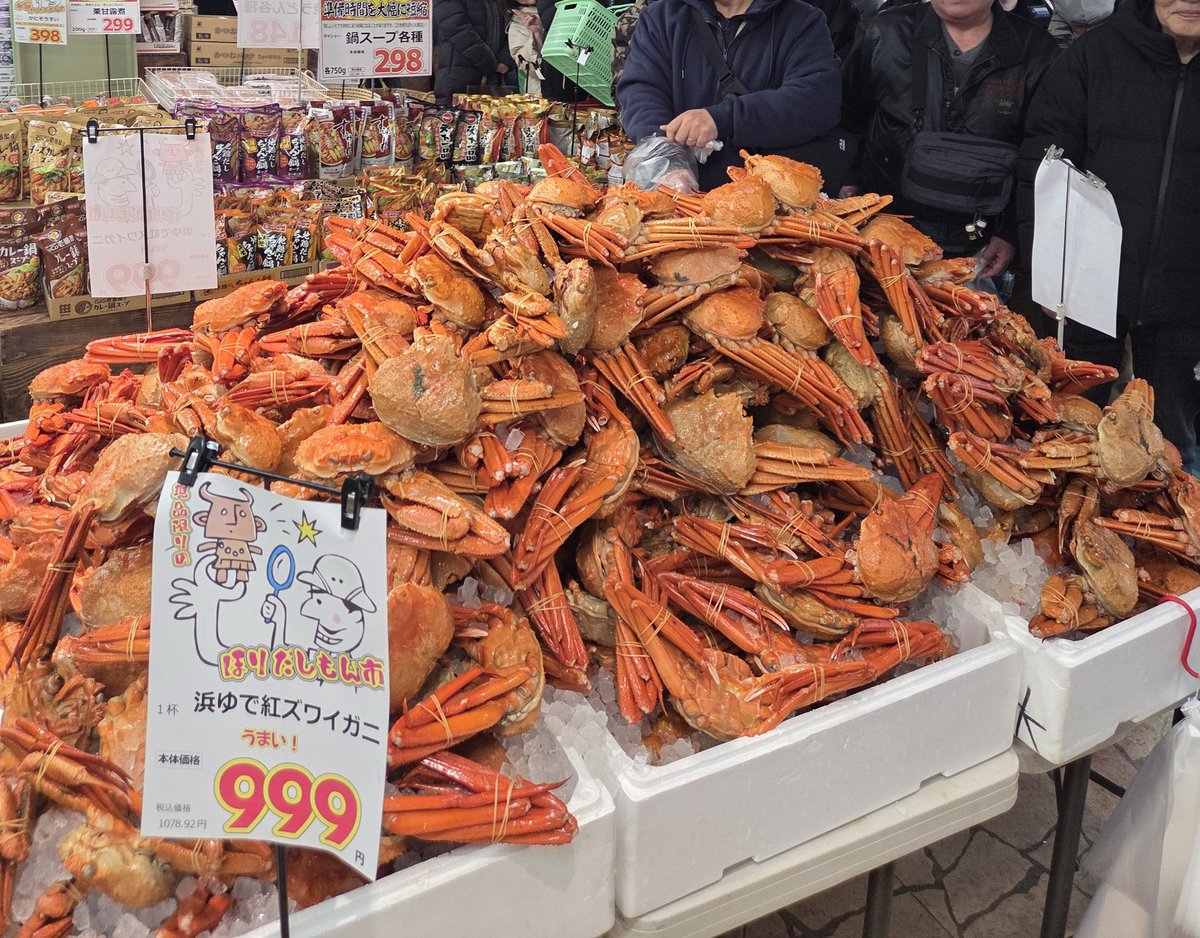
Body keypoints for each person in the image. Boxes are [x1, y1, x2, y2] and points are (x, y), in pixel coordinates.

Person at [1017, 0, 1200, 468]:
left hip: (1188, 297)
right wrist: (1049, 271)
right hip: (1088, 282)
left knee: (1175, 447)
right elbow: (1046, 161)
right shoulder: (1096, 54)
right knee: (1067, 434)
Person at [840, 0, 1058, 276]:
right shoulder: (886, 32)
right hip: (881, 231)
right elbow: (849, 116)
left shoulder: (1036, 51)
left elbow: (1041, 155)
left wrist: (1010, 233)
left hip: (979, 243)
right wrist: (849, 182)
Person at [615, 0, 843, 190]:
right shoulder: (661, 17)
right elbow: (641, 92)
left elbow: (816, 99)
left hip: (771, 205)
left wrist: (723, 118)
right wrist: (665, 159)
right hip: (680, 204)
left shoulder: (802, 21)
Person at [432, 0, 513, 102]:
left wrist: (505, 58)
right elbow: (455, 27)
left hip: (498, 77)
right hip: (459, 73)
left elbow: (513, 24)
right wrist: (489, 62)